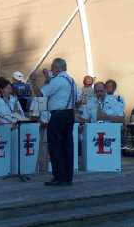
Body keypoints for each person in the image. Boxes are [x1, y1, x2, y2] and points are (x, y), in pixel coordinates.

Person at [34, 58, 78, 186]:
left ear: (57, 68)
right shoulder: (72, 80)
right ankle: (67, 177)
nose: (51, 70)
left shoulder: (57, 80)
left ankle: (58, 176)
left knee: (55, 146)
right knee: (67, 146)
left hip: (58, 115)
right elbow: (78, 98)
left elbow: (40, 94)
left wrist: (33, 82)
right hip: (70, 113)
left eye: (52, 68)